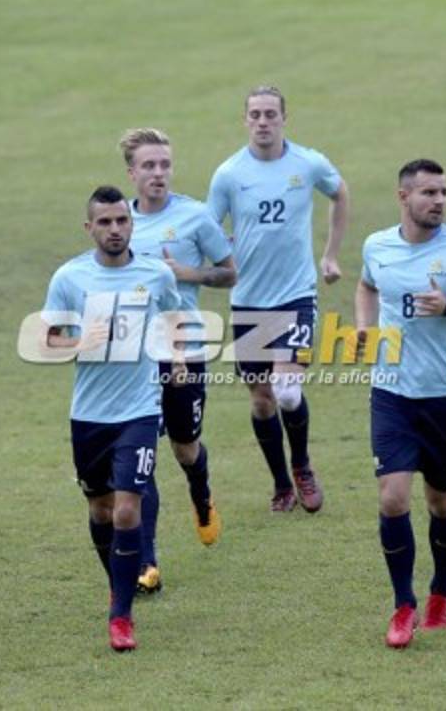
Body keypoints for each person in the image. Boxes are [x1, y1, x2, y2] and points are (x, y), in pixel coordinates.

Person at [354, 159, 446, 649]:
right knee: (393, 497)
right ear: (404, 197)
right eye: (429, 193)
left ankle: (442, 589)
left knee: (442, 503)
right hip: (392, 394)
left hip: (445, 396)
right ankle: (404, 604)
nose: (439, 201)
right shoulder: (378, 245)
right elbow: (367, 284)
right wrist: (364, 327)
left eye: (444, 192)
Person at [40, 185, 181, 652]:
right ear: (89, 228)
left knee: (126, 509)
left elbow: (174, 318)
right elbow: (47, 340)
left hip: (139, 410)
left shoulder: (155, 274)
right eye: (105, 222)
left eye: (121, 221)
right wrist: (82, 338)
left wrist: (176, 358)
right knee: (100, 510)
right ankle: (118, 583)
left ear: (131, 224)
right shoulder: (70, 278)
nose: (115, 229)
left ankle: (121, 616)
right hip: (89, 416)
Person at [206, 85, 349, 512]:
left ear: (284, 118)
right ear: (245, 120)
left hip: (296, 295)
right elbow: (208, 226)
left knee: (287, 392)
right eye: (256, 114)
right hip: (249, 300)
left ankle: (303, 467)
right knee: (262, 399)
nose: (263, 122)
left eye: (270, 114)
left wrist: (331, 254)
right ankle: (281, 483)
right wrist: (221, 248)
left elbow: (340, 192)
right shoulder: (229, 174)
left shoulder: (307, 164)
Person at [119, 127, 235, 594]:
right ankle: (147, 562)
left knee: (185, 447)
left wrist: (191, 273)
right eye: (149, 166)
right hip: (133, 355)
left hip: (184, 348)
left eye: (164, 164)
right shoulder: (117, 221)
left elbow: (230, 273)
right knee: (140, 456)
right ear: (131, 172)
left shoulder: (194, 217)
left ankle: (201, 494)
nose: (158, 173)